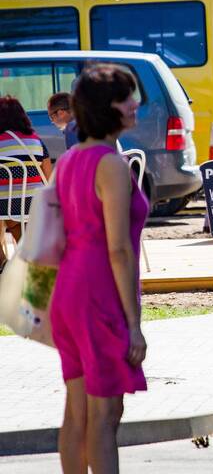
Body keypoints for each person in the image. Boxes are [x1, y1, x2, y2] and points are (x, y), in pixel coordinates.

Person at [50, 65, 148, 474]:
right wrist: (134, 322)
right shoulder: (111, 163)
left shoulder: (70, 158)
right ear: (108, 108)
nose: (135, 105)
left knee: (77, 414)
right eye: (128, 97)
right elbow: (119, 250)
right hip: (98, 294)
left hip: (68, 292)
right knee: (105, 418)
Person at [0, 97, 53, 265]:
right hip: (33, 205)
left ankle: (3, 263)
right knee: (19, 221)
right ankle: (25, 262)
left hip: (3, 205)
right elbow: (48, 178)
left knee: (6, 214)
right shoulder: (36, 140)